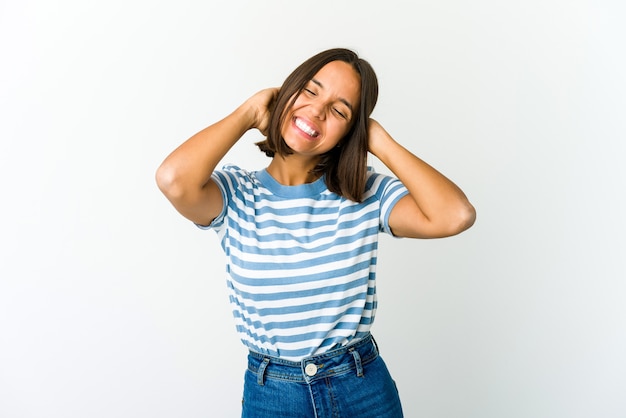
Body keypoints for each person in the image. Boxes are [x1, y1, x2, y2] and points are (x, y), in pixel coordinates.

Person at [156, 47, 476, 418]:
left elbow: (456, 215)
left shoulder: (364, 193)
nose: (317, 111)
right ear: (287, 91)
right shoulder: (235, 193)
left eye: (340, 110)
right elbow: (172, 179)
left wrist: (377, 140)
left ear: (349, 132)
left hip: (362, 388)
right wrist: (248, 112)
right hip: (273, 394)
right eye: (309, 91)